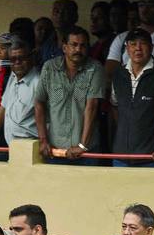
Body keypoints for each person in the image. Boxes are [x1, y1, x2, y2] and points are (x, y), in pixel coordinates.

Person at [35, 25, 105, 161]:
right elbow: (39, 103)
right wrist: (43, 140)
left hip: (87, 151)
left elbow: (92, 107)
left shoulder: (95, 68)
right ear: (64, 47)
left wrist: (82, 146)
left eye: (83, 45)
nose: (78, 49)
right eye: (74, 45)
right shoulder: (50, 68)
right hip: (56, 149)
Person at [108, 29, 154, 163]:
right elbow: (115, 107)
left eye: (143, 44)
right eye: (133, 44)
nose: (138, 48)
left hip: (153, 156)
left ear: (151, 47)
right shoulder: (118, 75)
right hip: (121, 156)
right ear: (127, 48)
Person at [0, 40, 39, 153]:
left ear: (31, 57)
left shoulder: (39, 83)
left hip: (31, 149)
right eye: (13, 59)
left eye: (21, 58)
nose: (17, 62)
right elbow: (2, 110)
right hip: (12, 148)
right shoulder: (13, 77)